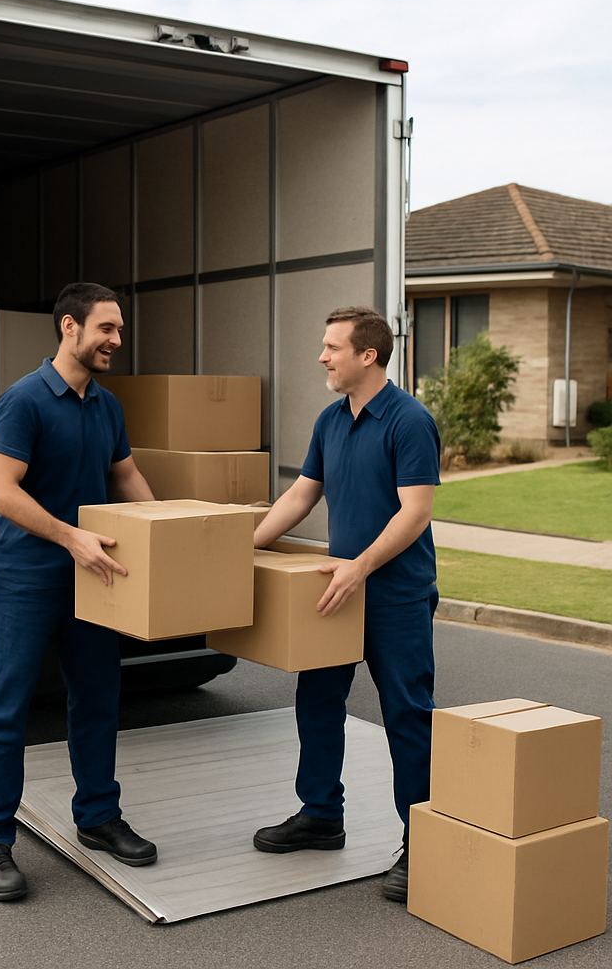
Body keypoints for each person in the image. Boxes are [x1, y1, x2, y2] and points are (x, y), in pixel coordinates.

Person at [0, 282, 158, 902]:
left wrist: (168, 532)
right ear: (70, 327)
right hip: (29, 575)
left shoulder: (106, 406)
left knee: (99, 696)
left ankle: (98, 816)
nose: (116, 341)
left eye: (120, 330)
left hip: (91, 570)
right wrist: (71, 536)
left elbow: (125, 475)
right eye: (108, 328)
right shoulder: (24, 401)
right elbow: (4, 493)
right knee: (9, 703)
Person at [251, 305, 440, 904]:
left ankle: (422, 842)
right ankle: (321, 815)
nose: (322, 357)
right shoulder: (331, 420)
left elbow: (415, 512)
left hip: (394, 594)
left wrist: (361, 565)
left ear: (368, 356)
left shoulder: (408, 421)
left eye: (332, 347)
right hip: (336, 588)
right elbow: (303, 494)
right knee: (317, 699)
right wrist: (239, 547)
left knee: (407, 714)